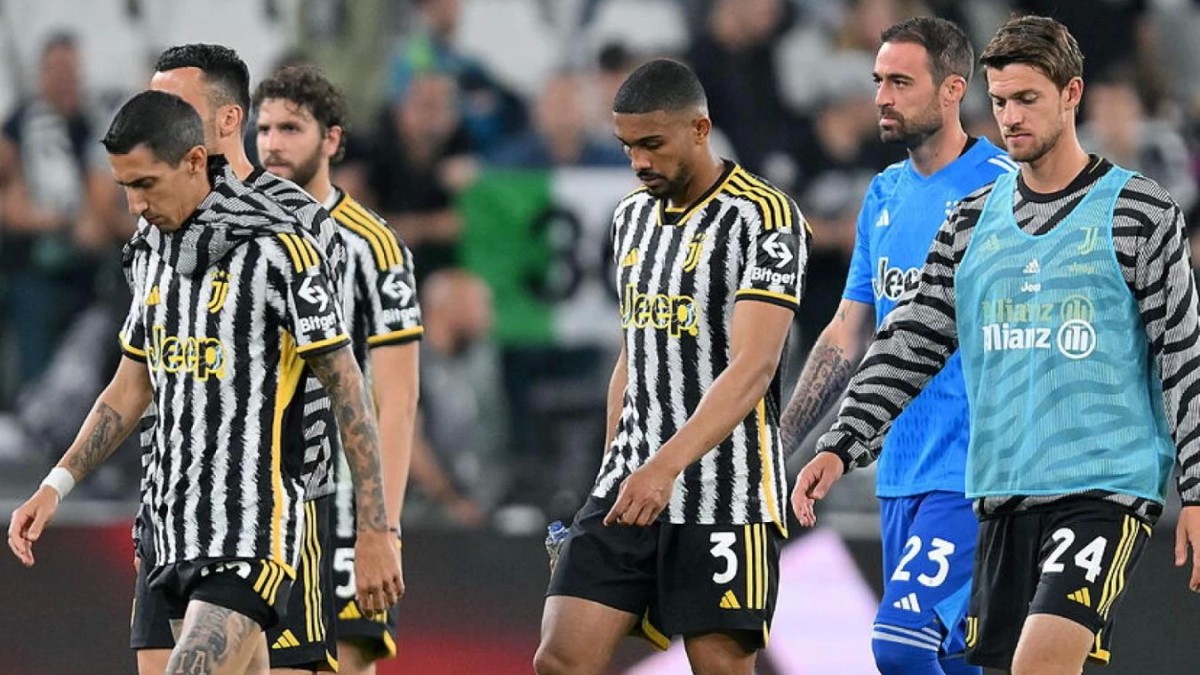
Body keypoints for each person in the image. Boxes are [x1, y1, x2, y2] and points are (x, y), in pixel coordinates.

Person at [792, 15, 1200, 674]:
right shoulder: (973, 219)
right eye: (1002, 100)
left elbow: (1183, 358)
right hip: (1001, 493)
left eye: (1028, 99)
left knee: (1027, 662)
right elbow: (911, 340)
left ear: (1072, 94)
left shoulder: (1139, 214)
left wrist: (1197, 490)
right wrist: (842, 442)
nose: (1011, 117)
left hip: (1101, 489)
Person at [6, 90, 401, 674]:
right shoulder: (148, 254)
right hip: (169, 534)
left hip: (250, 534)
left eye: (147, 184)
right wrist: (55, 485)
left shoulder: (281, 251)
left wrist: (374, 529)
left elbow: (348, 390)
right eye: (125, 187)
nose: (136, 204)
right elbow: (129, 388)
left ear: (195, 161)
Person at [534, 58, 807, 675]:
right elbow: (634, 352)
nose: (639, 161)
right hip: (631, 482)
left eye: (652, 144)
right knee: (559, 660)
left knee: (719, 668)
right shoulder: (629, 216)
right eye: (627, 146)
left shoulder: (766, 219)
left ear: (700, 129)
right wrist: (613, 472)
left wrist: (664, 468)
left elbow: (755, 366)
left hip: (728, 495)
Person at [779, 17, 1015, 675]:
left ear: (952, 90)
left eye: (901, 82)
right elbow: (846, 330)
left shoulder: (1003, 190)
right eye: (879, 80)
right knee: (952, 660)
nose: (881, 97)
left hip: (975, 471)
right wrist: (786, 444)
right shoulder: (883, 193)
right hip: (900, 469)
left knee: (899, 644)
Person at [133, 44, 353, 675]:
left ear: (228, 119)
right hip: (172, 511)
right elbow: (147, 371)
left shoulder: (299, 225)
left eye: (174, 104)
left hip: (267, 511)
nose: (157, 117)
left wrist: (357, 524)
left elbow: (333, 381)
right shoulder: (152, 223)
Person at [254, 65, 423, 675]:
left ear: (331, 139)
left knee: (344, 662)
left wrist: (384, 528)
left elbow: (397, 400)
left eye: (290, 129)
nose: (272, 144)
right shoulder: (239, 237)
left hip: (347, 504)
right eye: (264, 129)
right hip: (257, 502)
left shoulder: (374, 246)